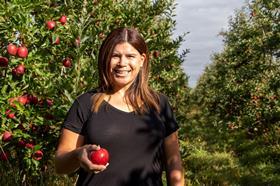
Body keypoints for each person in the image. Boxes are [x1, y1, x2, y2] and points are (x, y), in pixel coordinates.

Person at [55, 27, 185, 186]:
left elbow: (174, 162)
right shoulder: (85, 103)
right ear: (105, 59)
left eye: (130, 56)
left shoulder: (160, 104)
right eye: (115, 56)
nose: (122, 63)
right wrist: (77, 155)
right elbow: (60, 164)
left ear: (142, 60)